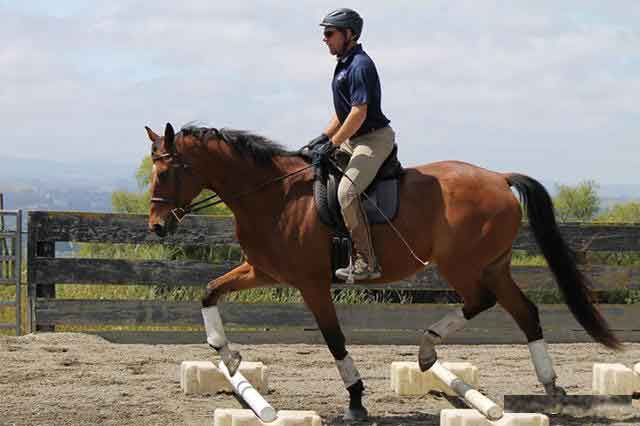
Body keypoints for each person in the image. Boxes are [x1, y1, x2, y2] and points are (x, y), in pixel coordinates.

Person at [309, 8, 395, 281]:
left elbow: (359, 113)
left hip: (373, 139)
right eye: (324, 33)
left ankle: (366, 262)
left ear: (349, 34)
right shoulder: (344, 63)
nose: (324, 38)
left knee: (347, 193)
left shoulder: (360, 65)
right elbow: (344, 111)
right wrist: (322, 138)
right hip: (353, 137)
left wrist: (333, 143)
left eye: (329, 33)